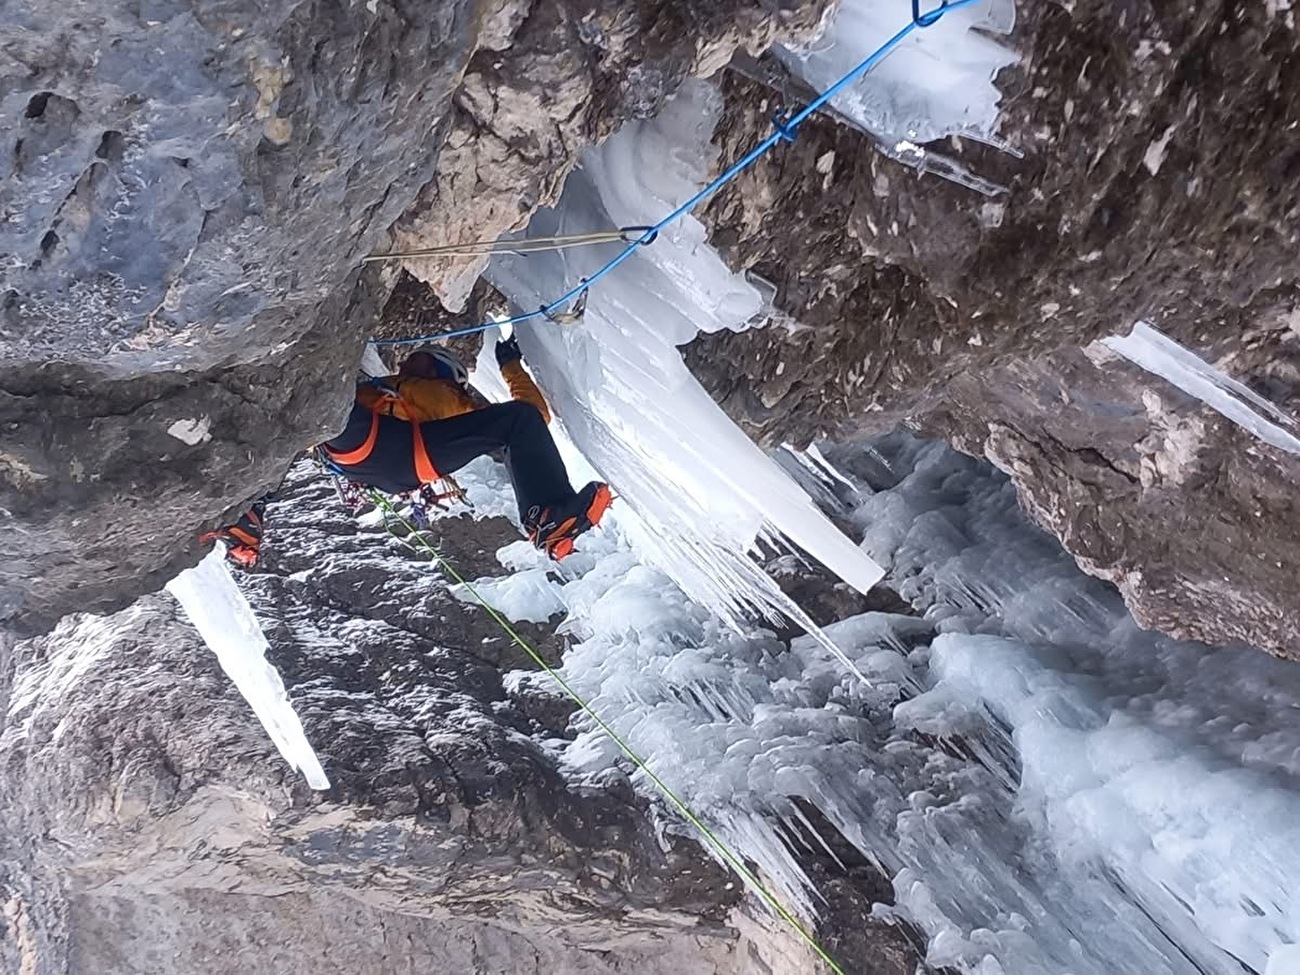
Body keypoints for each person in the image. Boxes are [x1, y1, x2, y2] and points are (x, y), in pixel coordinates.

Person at [204, 337, 612, 566]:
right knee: (311, 413)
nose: (410, 363)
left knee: (313, 410)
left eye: (419, 360)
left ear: (438, 373)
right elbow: (525, 421)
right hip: (387, 457)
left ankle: (550, 517)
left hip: (384, 450)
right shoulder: (398, 390)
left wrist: (509, 366)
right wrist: (510, 366)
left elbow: (533, 417)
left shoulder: (434, 394)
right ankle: (546, 516)